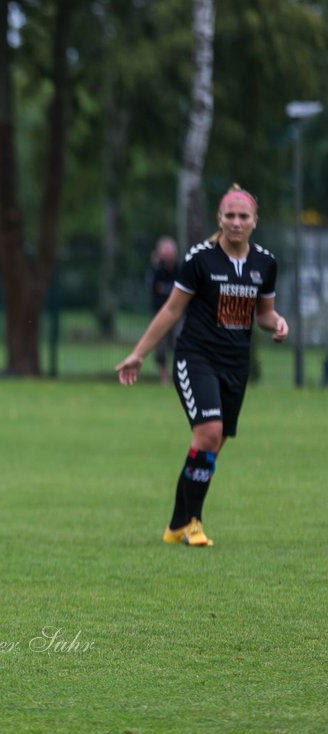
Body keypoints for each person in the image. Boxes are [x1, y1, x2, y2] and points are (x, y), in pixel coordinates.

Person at [116, 185, 287, 546]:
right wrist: (139, 353)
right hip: (196, 358)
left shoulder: (265, 263)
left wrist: (279, 323)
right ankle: (193, 522)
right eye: (230, 216)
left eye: (243, 216)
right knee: (208, 434)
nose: (236, 222)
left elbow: (265, 316)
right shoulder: (200, 259)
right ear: (219, 220)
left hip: (235, 365)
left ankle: (177, 523)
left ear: (255, 221)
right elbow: (172, 310)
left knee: (210, 448)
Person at [146, 236, 180, 385]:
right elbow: (153, 288)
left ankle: (178, 376)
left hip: (178, 315)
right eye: (164, 254)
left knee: (179, 345)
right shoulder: (155, 271)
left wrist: (165, 289)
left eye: (169, 254)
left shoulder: (180, 270)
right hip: (159, 314)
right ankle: (164, 377)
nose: (167, 257)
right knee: (160, 348)